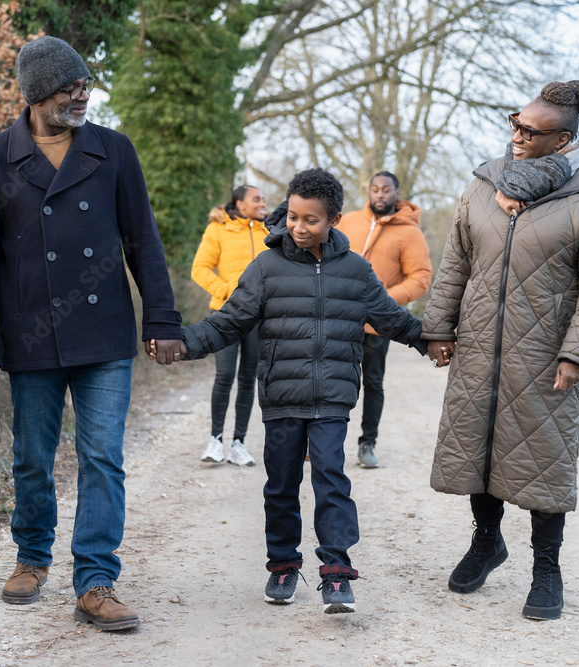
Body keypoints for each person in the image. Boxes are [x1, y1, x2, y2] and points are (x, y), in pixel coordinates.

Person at [0, 36, 182, 632]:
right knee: (33, 458)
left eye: (85, 85)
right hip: (30, 336)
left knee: (102, 457)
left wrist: (162, 319)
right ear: (37, 95)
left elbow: (142, 241)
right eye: (68, 88)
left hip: (104, 333)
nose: (82, 96)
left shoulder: (113, 150)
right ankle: (32, 557)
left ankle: (95, 581)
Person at [153, 168, 428, 613]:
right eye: (294, 217)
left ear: (334, 220)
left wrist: (430, 341)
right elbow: (229, 321)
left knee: (332, 481)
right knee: (281, 485)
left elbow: (392, 319)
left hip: (332, 397)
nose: (299, 227)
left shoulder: (357, 271)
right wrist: (184, 343)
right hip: (281, 396)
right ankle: (282, 565)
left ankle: (337, 572)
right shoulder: (266, 268)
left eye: (311, 220)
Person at [422, 80, 579, 621]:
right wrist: (438, 327)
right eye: (515, 123)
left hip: (545, 357)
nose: (516, 136)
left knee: (543, 461)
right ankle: (486, 541)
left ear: (562, 140)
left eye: (530, 131)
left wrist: (576, 354)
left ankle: (546, 569)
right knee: (478, 447)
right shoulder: (482, 187)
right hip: (479, 347)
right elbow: (456, 261)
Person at [337, 171, 431, 468]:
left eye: (386, 190)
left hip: (378, 324)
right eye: (375, 189)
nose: (380, 194)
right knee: (334, 381)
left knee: (373, 383)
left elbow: (420, 278)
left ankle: (367, 443)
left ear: (396, 193)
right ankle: (325, 441)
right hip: (340, 319)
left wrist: (383, 301)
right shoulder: (348, 221)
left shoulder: (410, 232)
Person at [190, 185, 269, 466]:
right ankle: (216, 440)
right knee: (224, 376)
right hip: (226, 314)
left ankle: (238, 443)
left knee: (248, 379)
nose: (263, 203)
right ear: (240, 204)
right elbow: (199, 268)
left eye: (263, 199)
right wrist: (225, 290)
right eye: (256, 199)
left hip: (258, 318)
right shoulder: (218, 229)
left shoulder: (269, 232)